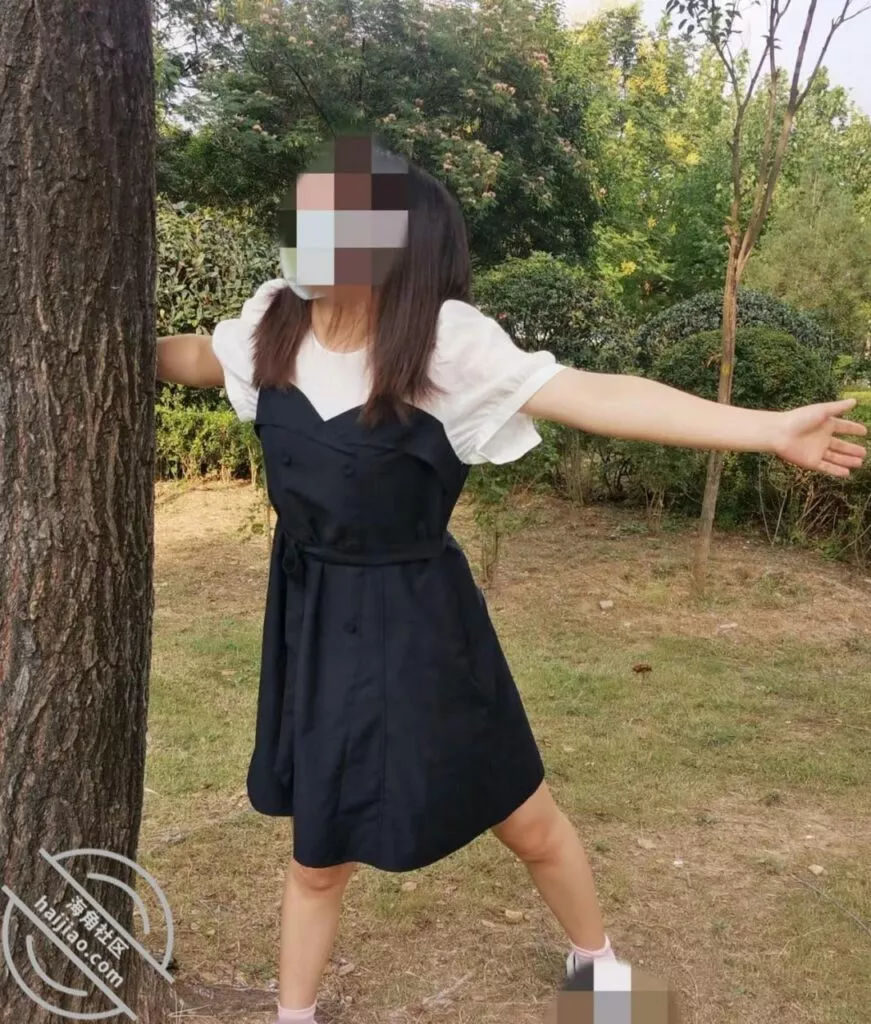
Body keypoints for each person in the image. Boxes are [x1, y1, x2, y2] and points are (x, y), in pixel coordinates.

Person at [156, 133, 867, 1024]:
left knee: (523, 816)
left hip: (423, 623)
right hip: (313, 619)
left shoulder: (445, 345)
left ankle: (597, 974)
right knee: (319, 850)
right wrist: (104, 341)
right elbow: (199, 357)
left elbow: (595, 395)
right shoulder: (273, 323)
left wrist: (764, 428)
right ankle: (293, 1016)